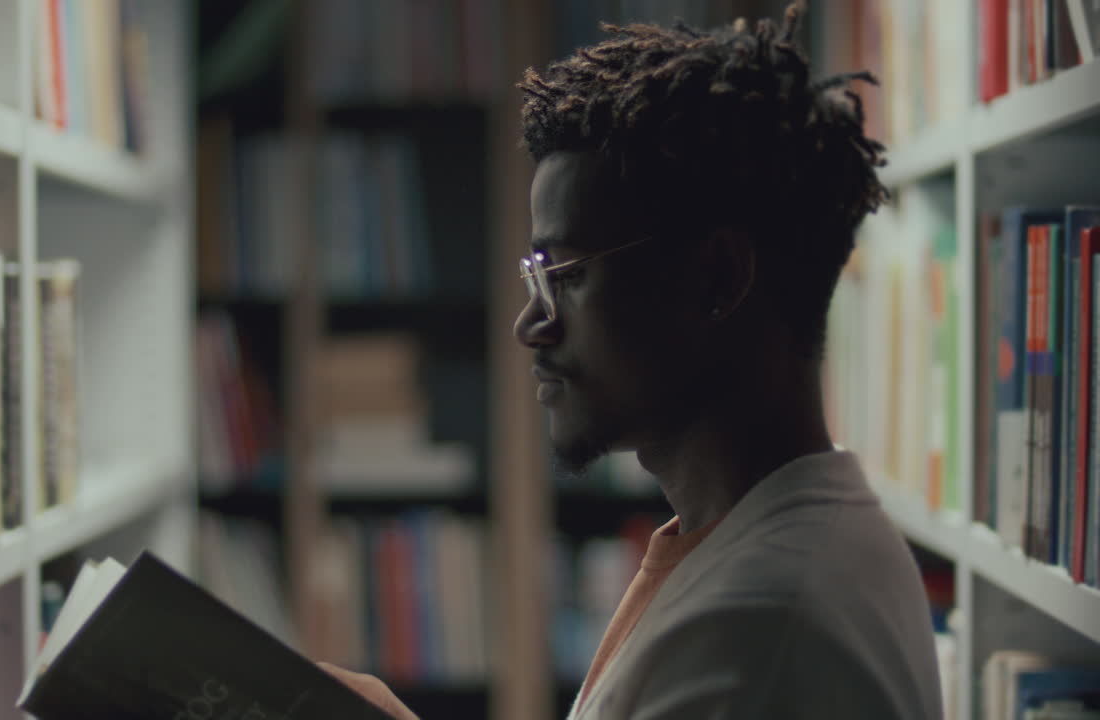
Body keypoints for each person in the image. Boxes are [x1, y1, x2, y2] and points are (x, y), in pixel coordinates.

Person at [323, 4, 944, 718]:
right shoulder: (761, 541)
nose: (532, 324)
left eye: (568, 275)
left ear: (715, 278)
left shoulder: (752, 633)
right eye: (535, 277)